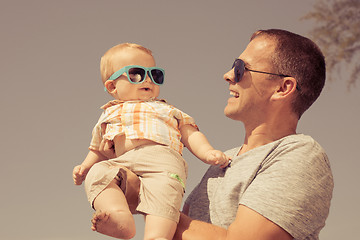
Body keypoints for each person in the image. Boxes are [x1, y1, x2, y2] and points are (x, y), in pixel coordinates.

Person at [171, 29, 334, 240]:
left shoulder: (301, 154)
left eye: (240, 68)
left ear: (283, 88)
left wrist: (148, 200)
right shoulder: (220, 164)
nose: (228, 76)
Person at [72, 43, 230, 240]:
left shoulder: (166, 109)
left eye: (155, 75)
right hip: (124, 162)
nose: (147, 79)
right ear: (112, 86)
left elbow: (190, 133)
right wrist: (85, 167)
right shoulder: (108, 114)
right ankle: (119, 217)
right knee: (98, 173)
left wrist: (207, 152)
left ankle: (157, 236)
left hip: (162, 162)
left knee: (163, 195)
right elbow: (98, 148)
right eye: (136, 74)